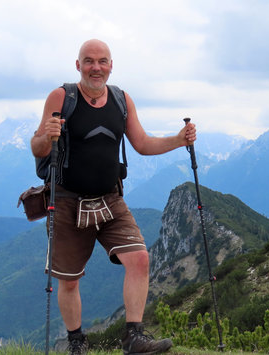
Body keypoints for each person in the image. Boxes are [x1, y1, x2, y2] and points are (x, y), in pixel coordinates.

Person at [30, 39, 196, 355]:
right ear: (78, 65)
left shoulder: (121, 100)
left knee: (140, 258)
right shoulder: (62, 97)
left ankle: (134, 338)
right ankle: (76, 342)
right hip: (66, 200)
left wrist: (178, 140)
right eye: (89, 61)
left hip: (111, 198)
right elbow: (38, 148)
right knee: (69, 280)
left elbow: (143, 143)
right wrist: (45, 135)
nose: (96, 67)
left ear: (111, 65)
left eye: (102, 61)